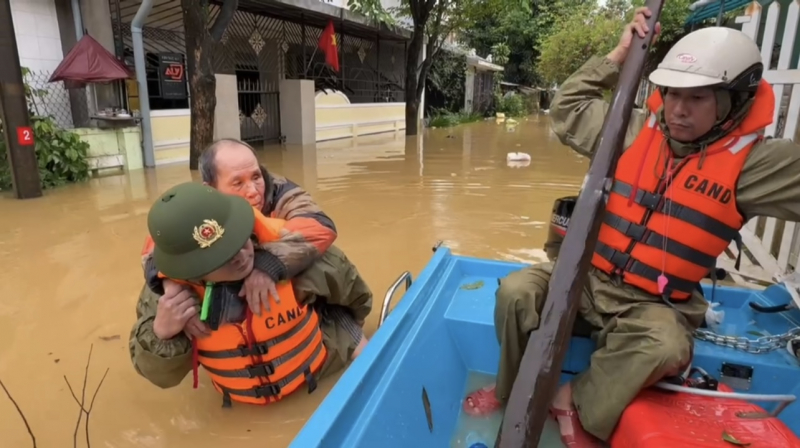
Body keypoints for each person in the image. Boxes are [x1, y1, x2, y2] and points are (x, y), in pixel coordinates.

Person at [464, 8, 800, 447]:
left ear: (733, 100)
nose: (678, 109)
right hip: (585, 279)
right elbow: (567, 110)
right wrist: (620, 54)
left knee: (665, 345)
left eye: (697, 98)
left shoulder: (755, 167)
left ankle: (575, 401)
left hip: (652, 302)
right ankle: (512, 391)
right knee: (515, 293)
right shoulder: (632, 128)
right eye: (672, 93)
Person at [130, 139, 372, 395]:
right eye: (237, 183)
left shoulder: (280, 202)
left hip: (313, 366)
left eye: (256, 177)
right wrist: (163, 327)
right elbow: (158, 246)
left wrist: (270, 264)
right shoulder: (181, 240)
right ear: (210, 190)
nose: (253, 192)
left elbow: (352, 291)